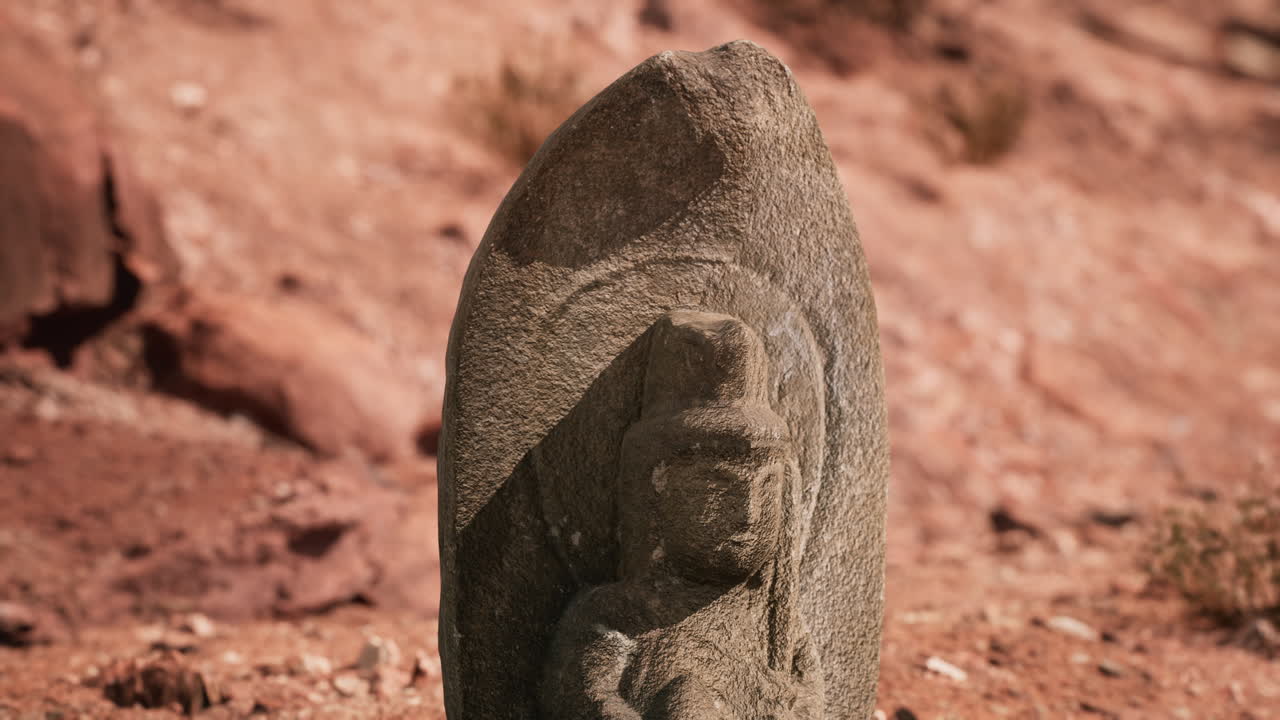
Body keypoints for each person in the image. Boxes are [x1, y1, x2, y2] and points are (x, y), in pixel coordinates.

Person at [541, 310, 823, 719]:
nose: (746, 515)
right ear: (655, 496)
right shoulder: (616, 617)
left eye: (766, 490)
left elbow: (812, 705)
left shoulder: (781, 629)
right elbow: (585, 699)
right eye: (717, 488)